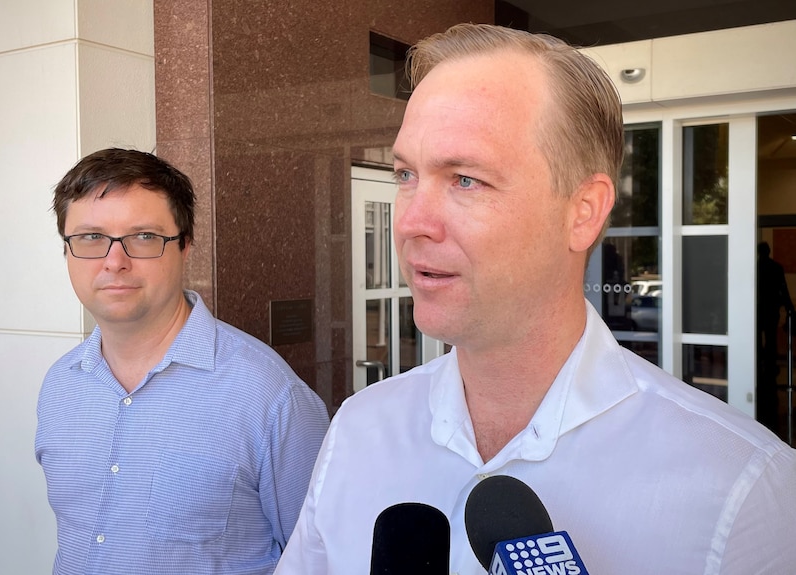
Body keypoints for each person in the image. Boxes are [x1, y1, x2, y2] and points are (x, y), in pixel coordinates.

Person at [274, 23, 796, 574]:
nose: (410, 222)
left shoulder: (740, 490)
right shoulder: (360, 429)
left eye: (465, 179)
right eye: (406, 174)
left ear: (583, 211)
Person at [35, 148, 329, 575]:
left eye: (144, 237)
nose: (114, 261)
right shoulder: (60, 385)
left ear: (185, 245)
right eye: (91, 238)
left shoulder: (271, 398)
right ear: (67, 250)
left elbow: (324, 558)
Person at [756, 240, 794, 432]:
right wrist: (789, 308)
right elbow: (783, 289)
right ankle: (769, 363)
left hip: (758, 311)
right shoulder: (776, 267)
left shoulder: (754, 267)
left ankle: (759, 362)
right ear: (769, 251)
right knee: (770, 339)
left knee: (757, 340)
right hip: (771, 310)